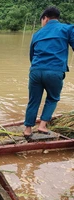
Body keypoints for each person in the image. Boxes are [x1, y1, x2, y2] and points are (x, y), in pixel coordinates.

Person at [23, 6, 74, 139]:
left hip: (35, 70)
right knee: (52, 98)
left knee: (33, 100)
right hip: (54, 71)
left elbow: (31, 55)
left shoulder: (37, 34)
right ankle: (42, 125)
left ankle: (28, 129)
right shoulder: (67, 29)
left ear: (45, 18)